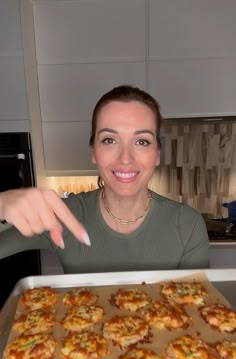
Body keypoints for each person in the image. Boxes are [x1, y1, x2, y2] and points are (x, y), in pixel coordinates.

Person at [0, 85, 209, 274]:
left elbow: (197, 308)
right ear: (94, 151)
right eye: (109, 140)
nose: (125, 158)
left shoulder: (188, 224)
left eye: (142, 141)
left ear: (157, 154)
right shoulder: (63, 215)